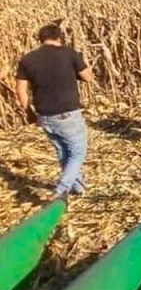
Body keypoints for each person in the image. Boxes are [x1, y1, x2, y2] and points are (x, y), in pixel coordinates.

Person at [15, 24, 94, 199]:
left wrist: (29, 112)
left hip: (45, 116)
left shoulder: (28, 59)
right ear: (60, 37)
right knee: (77, 152)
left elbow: (20, 90)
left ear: (41, 39)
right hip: (67, 114)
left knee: (62, 151)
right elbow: (88, 77)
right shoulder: (70, 54)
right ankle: (61, 190)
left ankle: (78, 187)